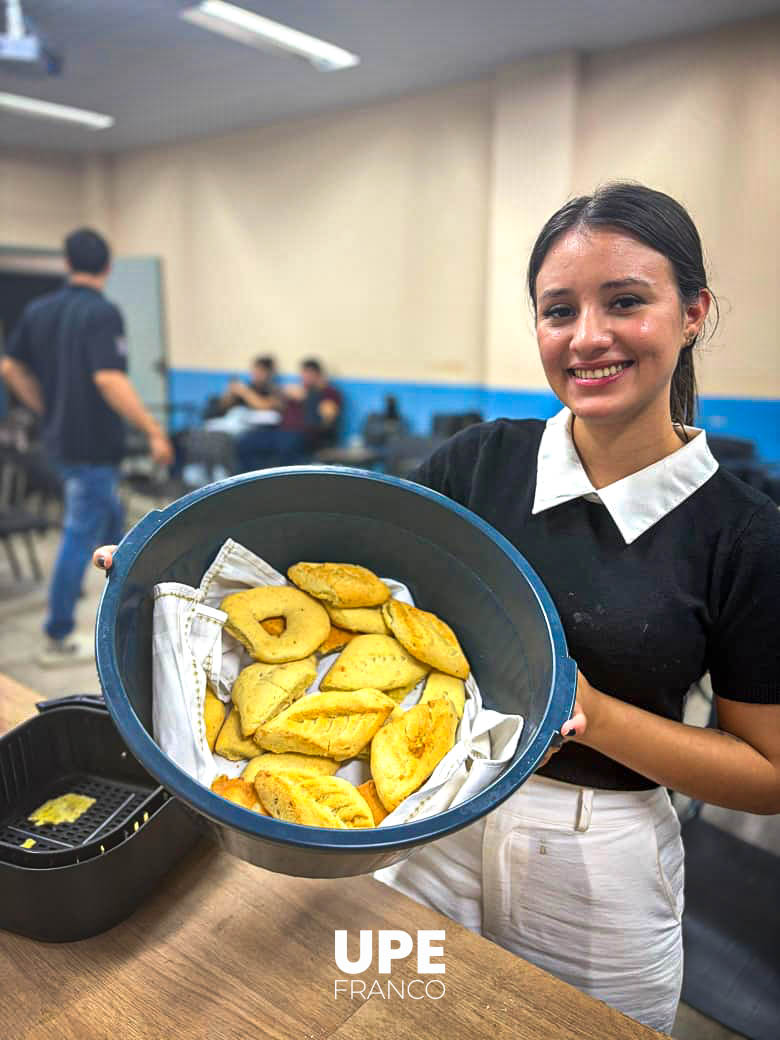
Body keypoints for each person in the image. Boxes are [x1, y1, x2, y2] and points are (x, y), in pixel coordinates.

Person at [90, 183, 780, 1032]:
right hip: (426, 823)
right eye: (558, 310)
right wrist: (171, 564)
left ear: (693, 313)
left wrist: (592, 715)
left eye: (627, 301)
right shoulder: (483, 462)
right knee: (398, 1020)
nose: (587, 336)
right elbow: (351, 574)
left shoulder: (744, 535)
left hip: (597, 860)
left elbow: (767, 773)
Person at [1, 227, 173, 666]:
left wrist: (45, 406)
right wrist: (153, 430)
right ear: (107, 267)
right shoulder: (101, 313)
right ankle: (57, 635)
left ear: (68, 263)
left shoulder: (39, 310)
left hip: (61, 443)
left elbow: (10, 367)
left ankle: (129, 608)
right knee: (80, 534)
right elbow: (108, 378)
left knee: (113, 527)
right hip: (91, 448)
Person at [235, 357, 342, 471]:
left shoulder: (328, 392)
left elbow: (328, 417)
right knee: (246, 442)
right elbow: (271, 405)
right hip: (280, 431)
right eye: (303, 373)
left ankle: (280, 482)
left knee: (287, 444)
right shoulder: (295, 390)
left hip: (305, 435)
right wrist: (282, 396)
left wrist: (308, 398)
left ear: (318, 375)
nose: (305, 377)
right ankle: (251, 481)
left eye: (309, 374)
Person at [204, 355, 281, 420]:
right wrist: (230, 393)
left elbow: (264, 406)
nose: (256, 374)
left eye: (261, 371)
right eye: (255, 370)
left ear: (269, 373)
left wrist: (244, 392)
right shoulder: (248, 386)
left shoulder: (274, 390)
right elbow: (224, 405)